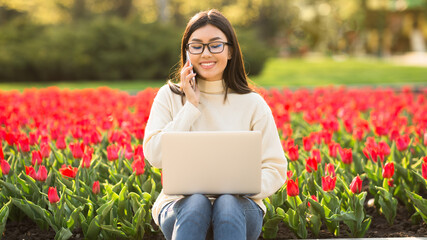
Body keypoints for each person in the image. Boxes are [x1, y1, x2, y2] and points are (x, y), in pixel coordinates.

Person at [143, 9, 287, 240]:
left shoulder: (253, 103)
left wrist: (241, 188)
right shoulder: (168, 96)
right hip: (179, 208)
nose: (206, 53)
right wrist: (190, 106)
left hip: (241, 208)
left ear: (230, 51)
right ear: (187, 52)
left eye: (215, 45)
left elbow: (275, 167)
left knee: (227, 203)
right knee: (196, 202)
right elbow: (155, 156)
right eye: (197, 46)